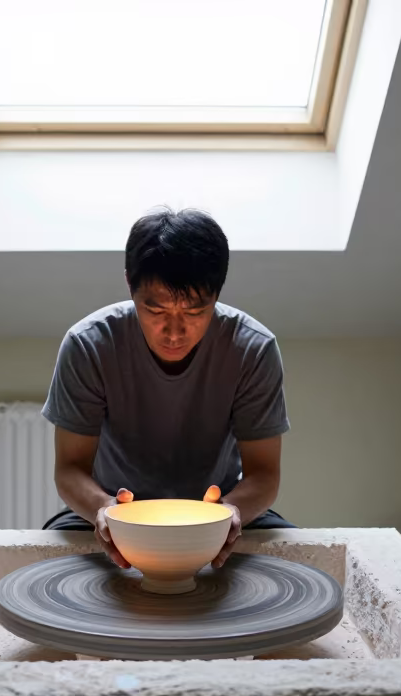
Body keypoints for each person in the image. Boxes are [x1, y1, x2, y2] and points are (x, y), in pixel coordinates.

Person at [41, 207, 294, 570]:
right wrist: (103, 509)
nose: (174, 333)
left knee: (296, 570)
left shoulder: (253, 349)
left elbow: (264, 474)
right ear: (130, 284)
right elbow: (69, 468)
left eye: (194, 313)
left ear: (217, 294)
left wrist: (231, 513)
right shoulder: (89, 345)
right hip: (111, 510)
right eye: (155, 311)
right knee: (44, 573)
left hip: (218, 511)